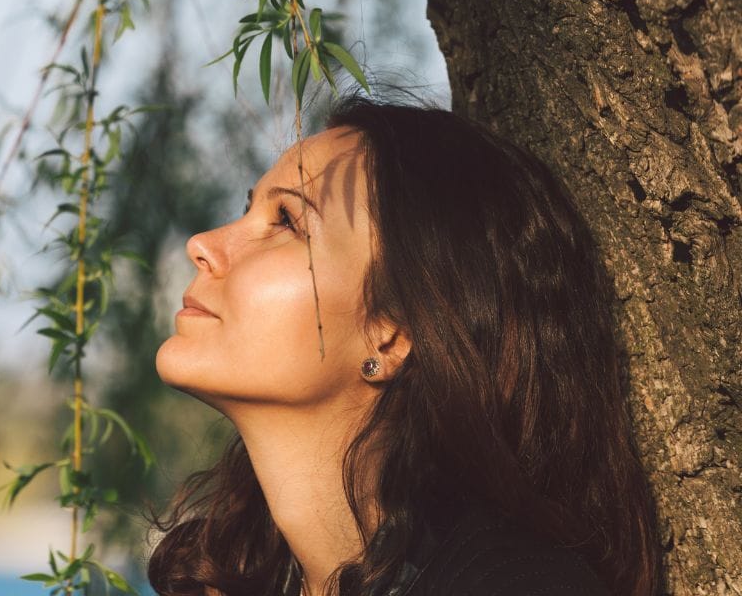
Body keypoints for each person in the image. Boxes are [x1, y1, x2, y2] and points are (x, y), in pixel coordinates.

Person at [149, 92, 662, 596]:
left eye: (286, 220)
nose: (203, 244)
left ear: (391, 335)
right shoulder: (237, 574)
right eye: (247, 210)